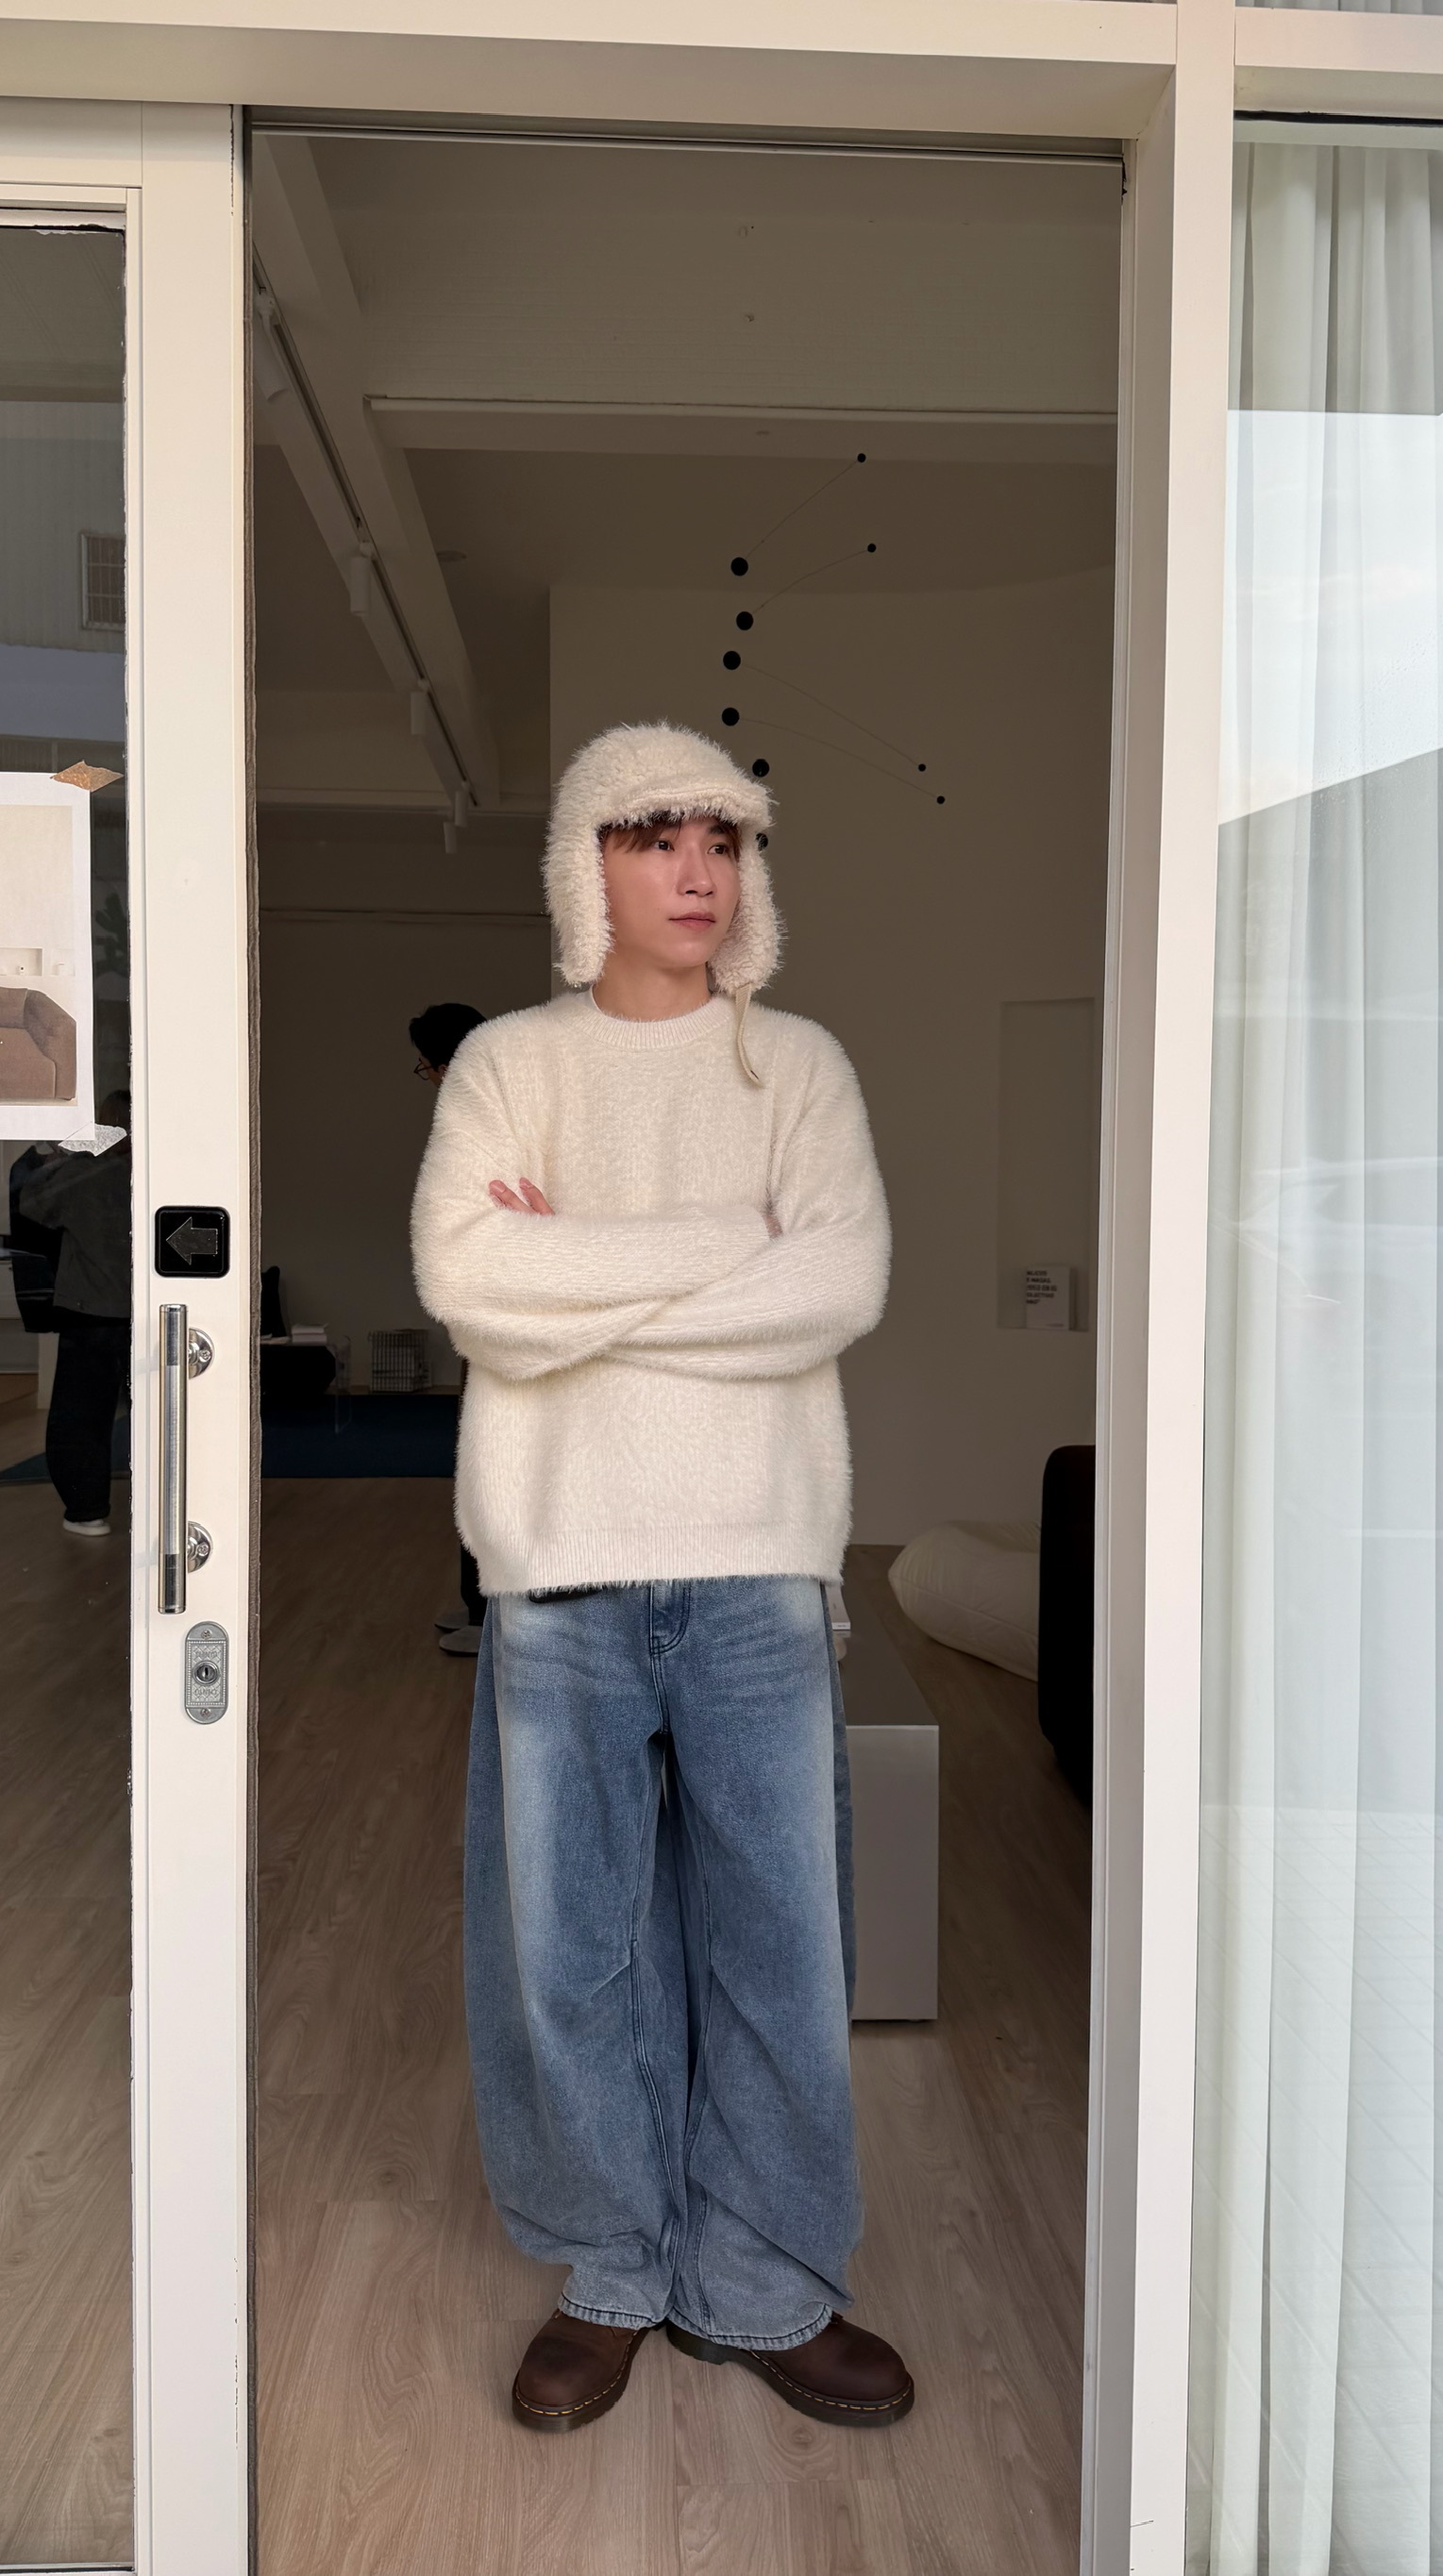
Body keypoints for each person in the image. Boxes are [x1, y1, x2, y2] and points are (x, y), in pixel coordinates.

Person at [412, 723, 912, 2433]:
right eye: (655, 836)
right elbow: (471, 1285)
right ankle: (614, 2269)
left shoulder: (803, 1071)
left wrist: (575, 1277)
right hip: (559, 1570)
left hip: (759, 1566)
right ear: (587, 864)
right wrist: (724, 1247)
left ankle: (761, 2282)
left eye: (725, 839)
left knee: (779, 1944)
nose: (697, 871)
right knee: (570, 1954)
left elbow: (837, 1287)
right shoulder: (509, 1065)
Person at [409, 1001, 488, 1657]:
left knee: (485, 1461)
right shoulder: (489, 1104)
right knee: (476, 1459)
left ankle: (491, 1616)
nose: (430, 1079)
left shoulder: (484, 1113)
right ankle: (479, 1603)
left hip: (494, 1311)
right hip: (483, 1308)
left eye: (428, 1067)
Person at [16, 1089, 131, 1535]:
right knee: (162, 1411)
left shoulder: (84, 1174)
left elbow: (30, 1203)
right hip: (151, 1310)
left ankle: (87, 1511)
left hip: (90, 1308)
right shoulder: (158, 1171)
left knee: (81, 1417)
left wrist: (69, 1150)